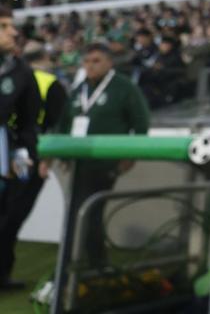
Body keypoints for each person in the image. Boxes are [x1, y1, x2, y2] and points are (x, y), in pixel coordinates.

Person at [55, 42, 150, 266]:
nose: (90, 66)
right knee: (80, 212)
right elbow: (65, 122)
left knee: (90, 211)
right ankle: (90, 262)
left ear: (109, 62)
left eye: (96, 61)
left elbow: (141, 123)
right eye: (86, 62)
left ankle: (84, 263)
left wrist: (131, 156)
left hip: (106, 162)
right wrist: (64, 155)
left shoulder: (124, 88)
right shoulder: (80, 89)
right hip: (80, 161)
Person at [0, 10, 42, 291]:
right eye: (3, 26)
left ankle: (2, 275)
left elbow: (28, 125)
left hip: (10, 151)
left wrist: (26, 162)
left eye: (12, 26)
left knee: (11, 214)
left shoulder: (21, 72)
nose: (13, 32)